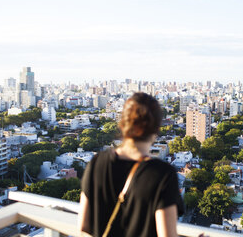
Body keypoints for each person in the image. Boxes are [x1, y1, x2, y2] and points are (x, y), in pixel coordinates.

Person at [78, 92, 183, 237]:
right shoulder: (162, 174)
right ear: (156, 129)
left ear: (122, 124)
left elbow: (84, 224)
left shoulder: (97, 163)